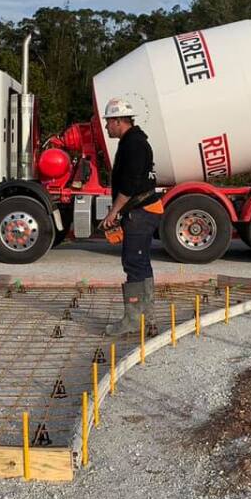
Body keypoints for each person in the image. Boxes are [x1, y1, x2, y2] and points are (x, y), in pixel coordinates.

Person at [98, 98, 161, 336]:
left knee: (133, 263)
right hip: (143, 210)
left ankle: (133, 321)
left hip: (141, 212)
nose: (106, 127)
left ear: (118, 121)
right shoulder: (134, 141)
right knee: (141, 263)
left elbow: (130, 185)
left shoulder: (133, 144)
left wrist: (114, 212)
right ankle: (148, 319)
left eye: (108, 122)